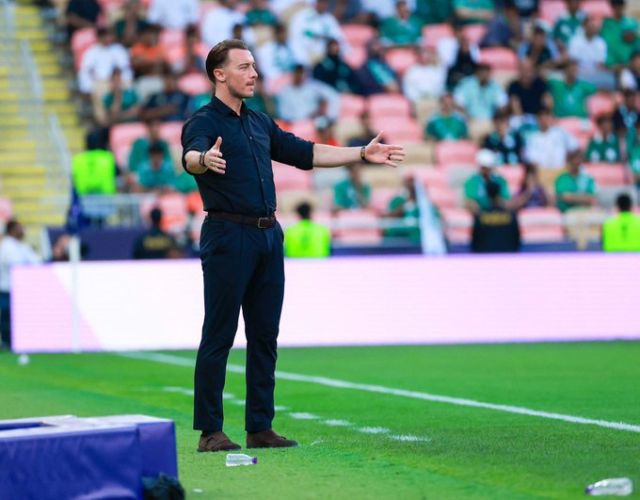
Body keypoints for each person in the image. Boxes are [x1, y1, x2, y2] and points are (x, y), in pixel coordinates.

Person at [181, 39, 405, 452]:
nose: (254, 74)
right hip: (228, 234)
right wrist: (202, 161)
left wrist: (360, 153)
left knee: (265, 335)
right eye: (244, 67)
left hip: (268, 234)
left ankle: (259, 427)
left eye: (254, 66)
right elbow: (190, 156)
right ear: (219, 74)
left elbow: (305, 152)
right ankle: (210, 431)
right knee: (219, 334)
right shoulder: (203, 121)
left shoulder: (259, 122)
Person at [0, 220, 41, 350]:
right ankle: (7, 342)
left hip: (20, 288)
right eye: (20, 228)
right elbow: (16, 264)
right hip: (7, 288)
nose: (23, 231)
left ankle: (17, 341)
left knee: (16, 317)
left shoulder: (22, 246)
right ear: (11, 231)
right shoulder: (7, 246)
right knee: (7, 316)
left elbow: (37, 262)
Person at [471, 180, 521, 253]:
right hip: (507, 256)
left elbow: (475, 241)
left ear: (487, 195)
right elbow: (517, 239)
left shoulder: (480, 216)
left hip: (485, 256)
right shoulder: (510, 215)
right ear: (499, 194)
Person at [464, 149, 511, 214]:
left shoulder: (500, 181)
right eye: (484, 168)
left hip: (499, 212)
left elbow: (506, 200)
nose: (486, 171)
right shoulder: (472, 182)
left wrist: (497, 199)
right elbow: (470, 200)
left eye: (488, 168)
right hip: (480, 213)